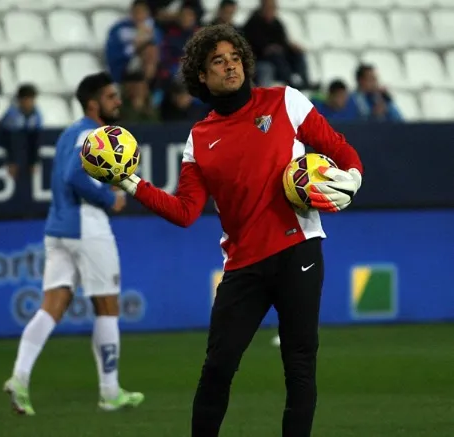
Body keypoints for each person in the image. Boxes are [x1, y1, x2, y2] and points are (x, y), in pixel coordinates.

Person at [107, 25, 364, 436]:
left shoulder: (285, 101)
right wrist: (132, 183)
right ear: (202, 77)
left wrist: (353, 175)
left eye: (234, 56)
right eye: (217, 61)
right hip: (244, 265)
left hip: (299, 249)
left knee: (299, 364)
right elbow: (186, 211)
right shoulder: (199, 137)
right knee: (218, 367)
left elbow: (339, 147)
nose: (230, 65)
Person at [3, 72, 143, 416]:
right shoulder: (92, 135)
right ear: (94, 103)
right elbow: (74, 175)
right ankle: (110, 392)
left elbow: (64, 174)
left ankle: (19, 378)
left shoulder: (69, 133)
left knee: (52, 306)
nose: (118, 101)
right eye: (111, 96)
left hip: (58, 228)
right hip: (87, 227)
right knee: (107, 307)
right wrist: (109, 199)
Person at [0, 84, 43, 179]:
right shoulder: (12, 115)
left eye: (32, 100)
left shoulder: (36, 115)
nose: (30, 103)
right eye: (28, 100)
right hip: (11, 146)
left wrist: (33, 162)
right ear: (20, 100)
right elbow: (8, 140)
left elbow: (35, 140)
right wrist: (12, 161)